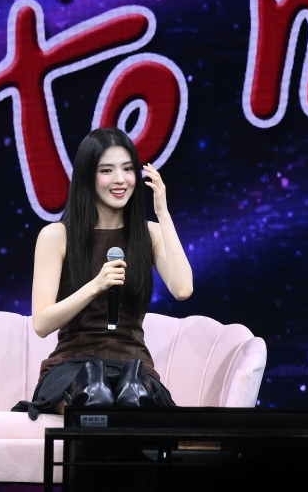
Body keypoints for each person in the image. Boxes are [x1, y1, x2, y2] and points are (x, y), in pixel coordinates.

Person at [20, 128, 193, 419]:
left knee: (133, 393)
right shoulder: (56, 236)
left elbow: (183, 289)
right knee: (91, 395)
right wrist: (95, 285)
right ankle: (93, 391)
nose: (120, 180)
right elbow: (41, 323)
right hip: (73, 363)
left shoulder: (149, 234)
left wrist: (163, 213)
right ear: (88, 177)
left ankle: (128, 394)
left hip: (133, 364)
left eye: (128, 169)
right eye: (106, 170)